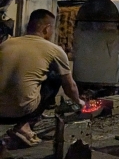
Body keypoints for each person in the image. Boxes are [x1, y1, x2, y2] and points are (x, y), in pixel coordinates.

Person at [0, 9, 84, 149]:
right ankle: (26, 125)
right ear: (47, 28)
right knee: (55, 77)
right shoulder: (54, 50)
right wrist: (79, 102)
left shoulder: (5, 44)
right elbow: (70, 87)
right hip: (18, 112)